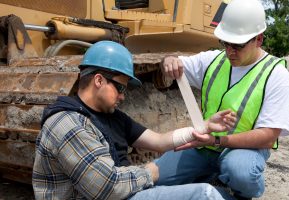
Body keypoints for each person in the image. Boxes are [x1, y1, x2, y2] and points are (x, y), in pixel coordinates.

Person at [32, 41, 238, 200]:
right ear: (98, 80)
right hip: (109, 194)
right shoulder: (68, 124)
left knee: (198, 173)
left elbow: (158, 141)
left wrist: (203, 127)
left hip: (122, 189)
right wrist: (151, 171)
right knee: (203, 195)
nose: (123, 96)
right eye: (120, 88)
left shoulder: (112, 116)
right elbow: (107, 187)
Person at [155, 0, 289, 199]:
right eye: (225, 43)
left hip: (243, 150)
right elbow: (172, 62)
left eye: (237, 45)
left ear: (259, 39)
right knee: (159, 178)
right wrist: (168, 60)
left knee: (241, 173)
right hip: (204, 146)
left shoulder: (276, 75)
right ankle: (212, 176)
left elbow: (269, 136)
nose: (230, 51)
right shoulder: (214, 60)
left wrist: (218, 140)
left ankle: (239, 194)